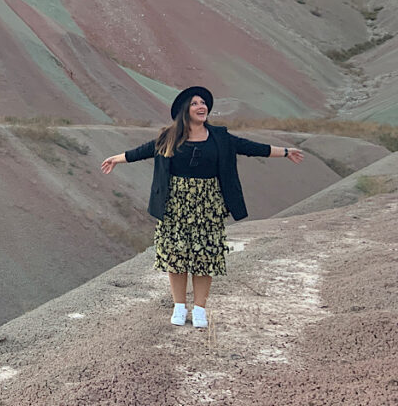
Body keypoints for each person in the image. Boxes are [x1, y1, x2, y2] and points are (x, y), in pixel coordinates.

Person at [100, 86, 304, 328]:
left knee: (204, 257)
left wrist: (286, 152)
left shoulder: (220, 137)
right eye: (196, 103)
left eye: (204, 103)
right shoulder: (169, 137)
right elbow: (142, 151)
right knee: (176, 256)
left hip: (208, 205)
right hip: (175, 205)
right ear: (186, 109)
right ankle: (178, 307)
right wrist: (116, 158)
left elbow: (251, 148)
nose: (202, 106)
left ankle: (199, 310)